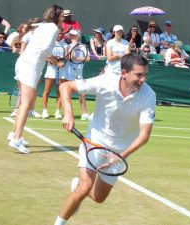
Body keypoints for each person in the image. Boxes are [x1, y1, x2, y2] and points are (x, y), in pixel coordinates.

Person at [53, 53, 156, 225]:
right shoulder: (105, 81)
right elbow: (66, 87)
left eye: (145, 74)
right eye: (138, 75)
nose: (143, 79)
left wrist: (120, 156)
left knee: (99, 197)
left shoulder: (148, 95)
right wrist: (68, 113)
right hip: (95, 142)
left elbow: (144, 135)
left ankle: (77, 186)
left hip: (120, 151)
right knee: (84, 187)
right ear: (124, 73)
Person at [7, 4, 64, 154]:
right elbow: (45, 49)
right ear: (56, 16)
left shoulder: (43, 26)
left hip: (24, 63)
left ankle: (14, 133)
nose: (64, 18)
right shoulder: (52, 28)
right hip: (30, 66)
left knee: (24, 103)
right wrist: (56, 61)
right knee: (26, 104)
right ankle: (16, 139)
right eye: (62, 15)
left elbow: (37, 42)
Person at [41, 27, 68, 119]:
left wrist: (63, 62)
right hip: (51, 70)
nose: (59, 35)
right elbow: (44, 57)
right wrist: (52, 61)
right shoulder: (49, 44)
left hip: (61, 71)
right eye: (58, 33)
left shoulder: (65, 45)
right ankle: (45, 111)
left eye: (61, 34)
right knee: (46, 91)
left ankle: (57, 112)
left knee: (60, 92)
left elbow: (66, 58)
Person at [65, 29, 91, 120]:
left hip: (79, 73)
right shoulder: (68, 46)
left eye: (74, 35)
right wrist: (73, 46)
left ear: (78, 36)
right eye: (71, 35)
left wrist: (77, 58)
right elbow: (70, 57)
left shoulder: (83, 46)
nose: (72, 37)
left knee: (82, 94)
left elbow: (88, 59)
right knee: (67, 94)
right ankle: (68, 113)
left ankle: (84, 114)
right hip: (69, 73)